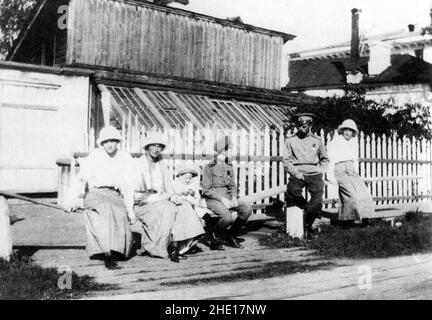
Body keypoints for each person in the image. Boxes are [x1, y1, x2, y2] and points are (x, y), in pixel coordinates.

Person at [134, 133, 204, 262]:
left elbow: (168, 190)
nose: (156, 149)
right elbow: (135, 194)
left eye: (159, 146)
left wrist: (173, 198)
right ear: (147, 147)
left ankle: (178, 246)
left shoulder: (163, 166)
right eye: (153, 145)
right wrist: (158, 198)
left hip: (161, 200)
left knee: (184, 205)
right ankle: (159, 248)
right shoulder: (137, 165)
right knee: (168, 209)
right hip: (143, 204)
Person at [77, 126, 135, 270]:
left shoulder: (124, 158)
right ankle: (107, 254)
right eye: (106, 142)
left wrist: (130, 210)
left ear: (118, 142)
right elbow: (81, 178)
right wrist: (76, 200)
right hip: (96, 193)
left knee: (121, 213)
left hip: (114, 194)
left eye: (113, 141)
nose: (109, 145)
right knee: (106, 211)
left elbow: (128, 186)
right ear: (101, 143)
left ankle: (117, 250)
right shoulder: (94, 156)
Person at [201, 136, 252, 249]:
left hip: (228, 197)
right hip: (213, 199)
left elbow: (232, 185)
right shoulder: (209, 167)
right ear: (222, 150)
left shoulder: (229, 165)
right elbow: (206, 190)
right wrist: (222, 199)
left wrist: (234, 197)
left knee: (247, 209)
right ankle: (216, 236)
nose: (231, 151)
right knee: (227, 217)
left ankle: (231, 235)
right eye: (229, 149)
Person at [283, 113, 329, 238]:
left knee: (317, 199)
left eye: (304, 126)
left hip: (314, 173)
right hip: (298, 173)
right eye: (299, 125)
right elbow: (286, 161)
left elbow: (324, 159)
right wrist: (296, 173)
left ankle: (309, 224)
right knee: (292, 191)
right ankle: (307, 210)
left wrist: (320, 171)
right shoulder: (290, 140)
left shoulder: (317, 140)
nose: (301, 128)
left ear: (310, 125)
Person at [327, 119, 375, 221]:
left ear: (353, 132)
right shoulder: (336, 141)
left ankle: (366, 219)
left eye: (350, 130)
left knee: (364, 193)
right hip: (340, 170)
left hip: (351, 170)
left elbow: (355, 161)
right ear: (342, 130)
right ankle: (347, 220)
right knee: (351, 195)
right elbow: (330, 160)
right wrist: (330, 176)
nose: (347, 132)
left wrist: (356, 174)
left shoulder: (354, 142)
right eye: (346, 130)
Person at [171, 165, 206, 254]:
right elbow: (177, 192)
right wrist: (184, 192)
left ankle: (190, 241)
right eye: (186, 178)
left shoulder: (192, 186)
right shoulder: (176, 183)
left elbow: (196, 197)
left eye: (190, 178)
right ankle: (182, 244)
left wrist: (193, 193)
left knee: (194, 216)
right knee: (182, 221)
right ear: (180, 177)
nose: (188, 180)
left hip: (190, 205)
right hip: (179, 205)